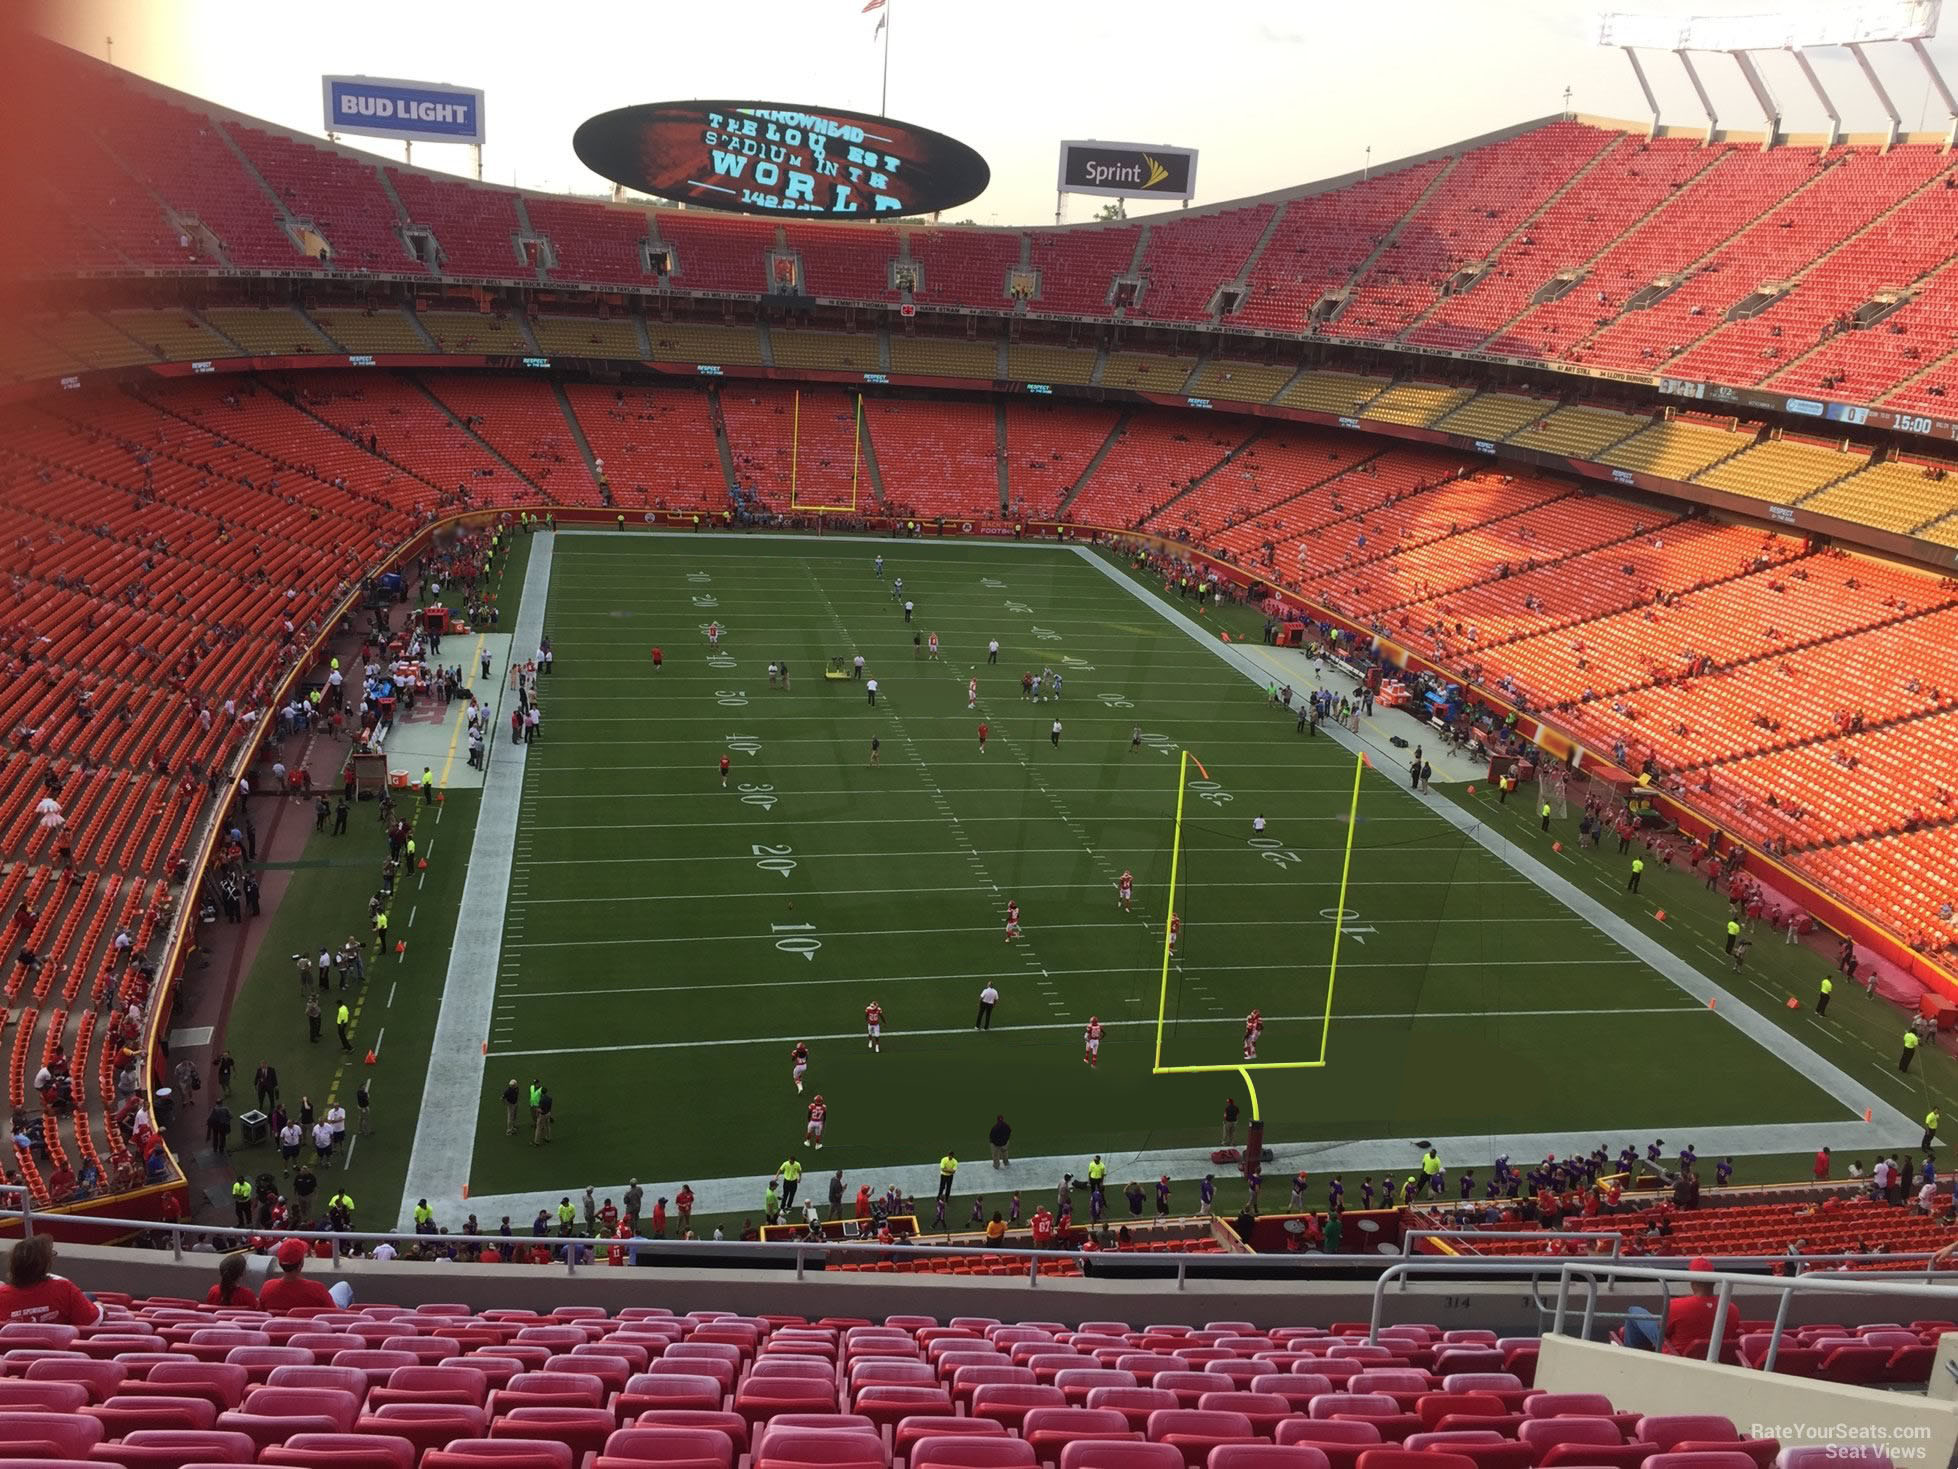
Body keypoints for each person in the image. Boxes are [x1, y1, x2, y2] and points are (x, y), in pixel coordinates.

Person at [0, 1236, 100, 1325]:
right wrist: (99, 1308)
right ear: (44, 1264)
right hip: (60, 1345)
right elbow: (92, 1321)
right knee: (90, 1296)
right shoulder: (64, 1288)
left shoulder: (2, 1295)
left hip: (16, 1346)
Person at [1660, 1256, 1738, 1355]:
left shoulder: (1675, 1305)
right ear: (1713, 1282)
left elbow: (1662, 1332)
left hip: (1678, 1361)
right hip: (1716, 1360)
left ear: (1692, 1281)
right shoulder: (1732, 1308)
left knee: (1636, 1313)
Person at [261, 1237, 343, 1311]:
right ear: (300, 1264)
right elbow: (335, 1314)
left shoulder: (267, 1287)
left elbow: (261, 1312)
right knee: (343, 1286)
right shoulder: (317, 1289)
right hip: (312, 1327)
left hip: (277, 1327)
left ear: (280, 1263)